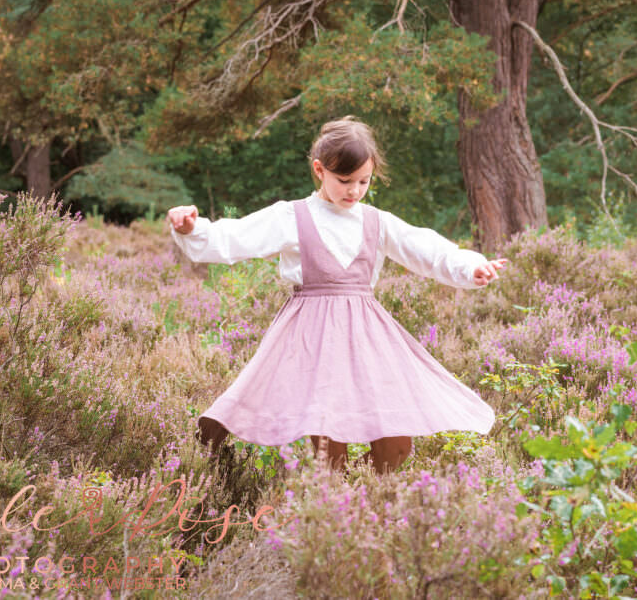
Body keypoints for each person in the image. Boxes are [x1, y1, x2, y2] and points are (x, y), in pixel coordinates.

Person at [166, 116, 506, 475]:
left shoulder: (377, 221)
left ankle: (360, 499)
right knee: (330, 447)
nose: (354, 191)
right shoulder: (292, 216)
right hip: (311, 341)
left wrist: (470, 267)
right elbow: (234, 238)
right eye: (344, 180)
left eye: (364, 181)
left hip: (367, 339)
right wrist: (192, 229)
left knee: (397, 445)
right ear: (319, 170)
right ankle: (332, 508)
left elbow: (426, 249)